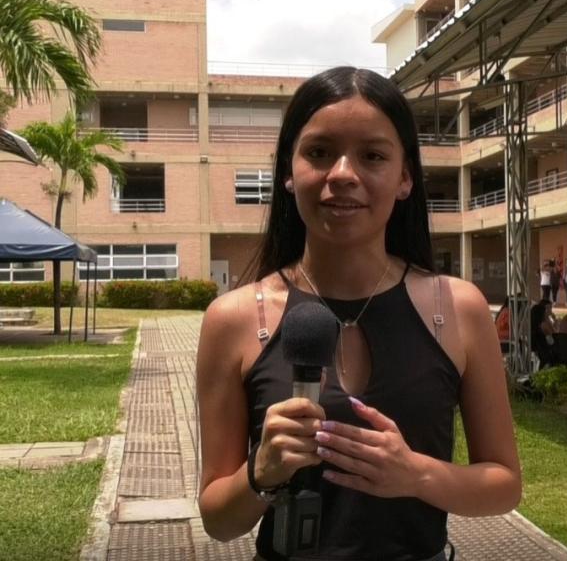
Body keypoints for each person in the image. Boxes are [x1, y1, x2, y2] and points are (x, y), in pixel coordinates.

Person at [196, 67, 521, 560]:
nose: (343, 174)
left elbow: (504, 483)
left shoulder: (457, 308)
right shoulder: (234, 319)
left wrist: (417, 474)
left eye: (372, 155)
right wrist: (259, 473)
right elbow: (218, 519)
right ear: (288, 171)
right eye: (320, 152)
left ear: (405, 177)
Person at [530, 302, 557, 368]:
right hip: (544, 357)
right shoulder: (542, 329)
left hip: (538, 355)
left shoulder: (531, 327)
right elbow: (552, 341)